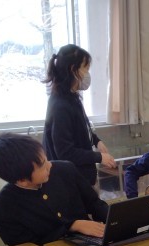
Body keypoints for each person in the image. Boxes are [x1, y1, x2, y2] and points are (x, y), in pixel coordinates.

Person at [0, 133, 109, 246]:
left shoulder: (65, 170)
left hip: (92, 245)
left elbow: (95, 204)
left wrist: (114, 222)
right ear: (22, 180)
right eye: (42, 165)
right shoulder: (2, 212)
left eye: (45, 158)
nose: (50, 165)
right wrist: (72, 227)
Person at [42, 44, 117, 186]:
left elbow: (80, 127)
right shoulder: (60, 106)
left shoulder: (71, 97)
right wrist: (99, 157)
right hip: (67, 181)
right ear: (73, 69)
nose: (88, 74)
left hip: (78, 178)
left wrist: (96, 141)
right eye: (86, 69)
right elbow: (65, 152)